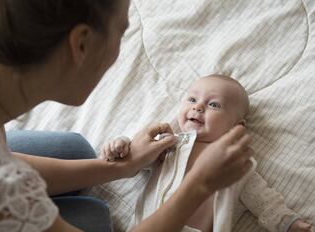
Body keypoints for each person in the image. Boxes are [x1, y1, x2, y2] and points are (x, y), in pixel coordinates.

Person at [0, 0, 255, 231]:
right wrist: (199, 185)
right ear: (81, 44)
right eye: (121, 31)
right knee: (94, 218)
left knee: (76, 151)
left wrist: (118, 168)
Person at [102, 75, 312, 232]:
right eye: (192, 99)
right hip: (152, 224)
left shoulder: (233, 162)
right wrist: (122, 146)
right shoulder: (170, 142)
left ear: (236, 127)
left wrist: (288, 223)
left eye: (213, 105)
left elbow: (262, 198)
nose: (199, 107)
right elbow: (138, 158)